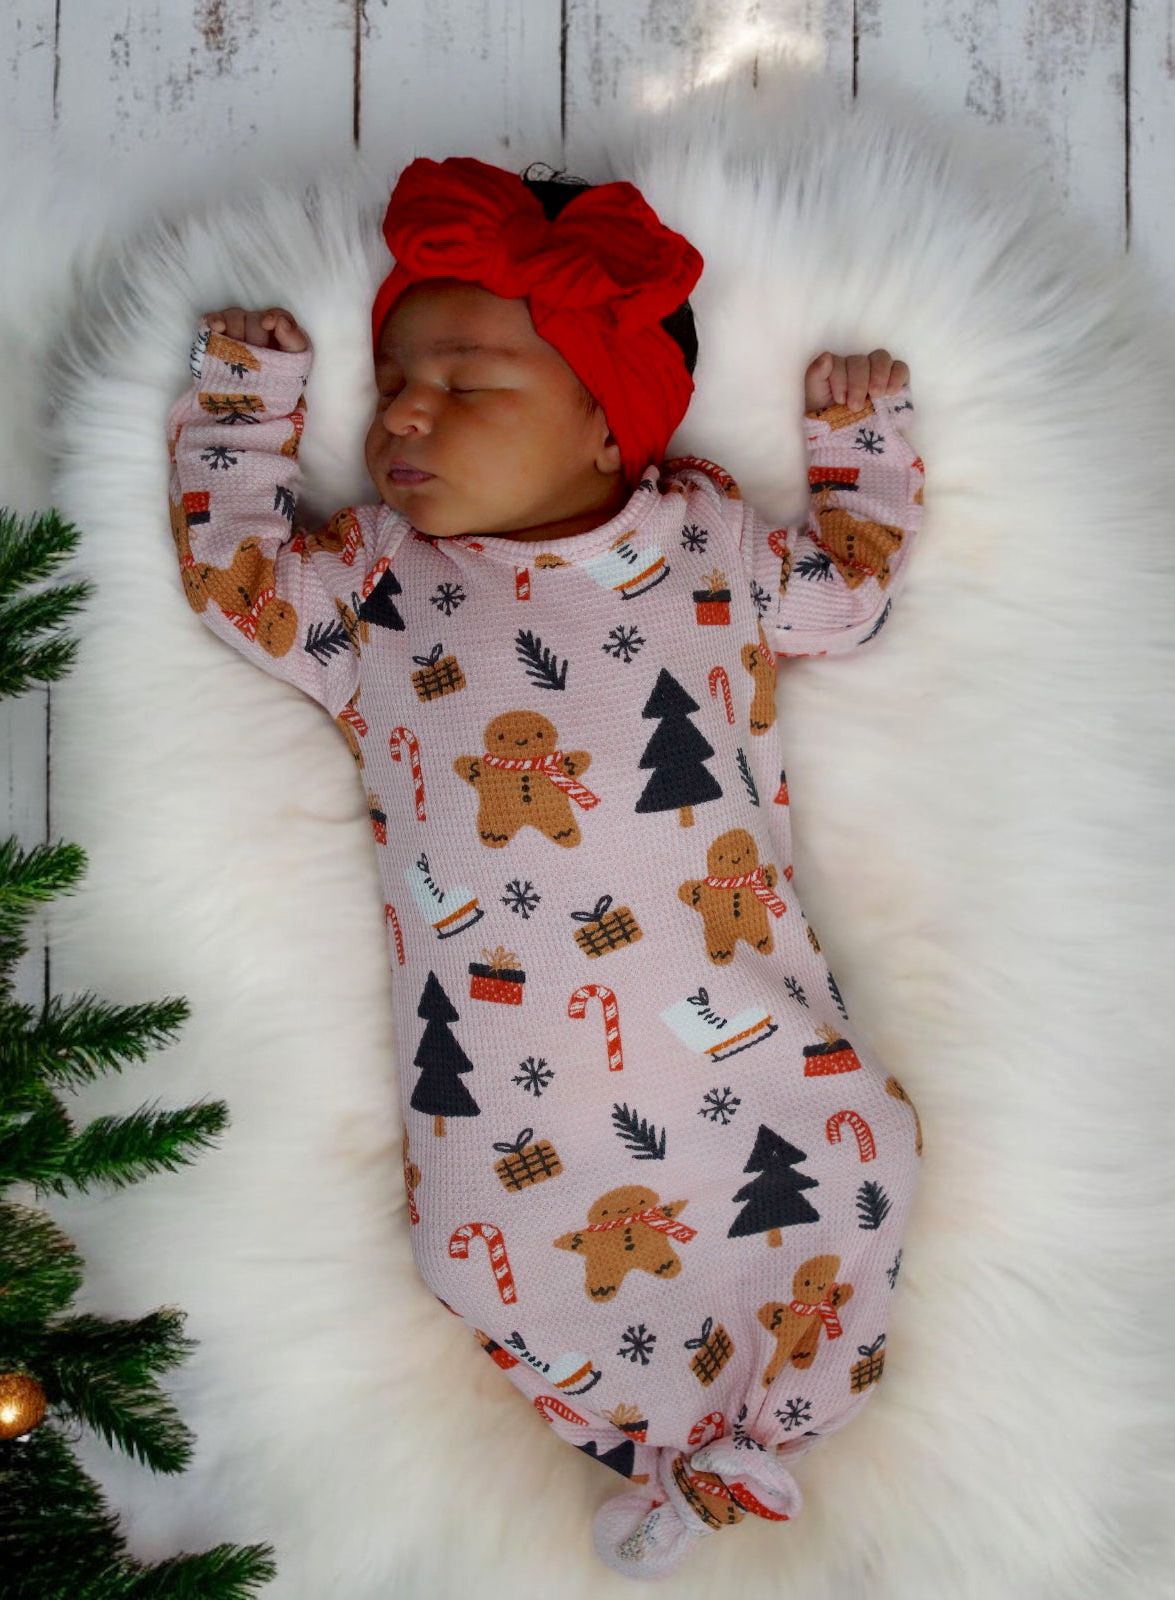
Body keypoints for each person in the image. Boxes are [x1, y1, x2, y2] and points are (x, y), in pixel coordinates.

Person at [167, 155, 926, 1580]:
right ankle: (638, 1429)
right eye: (394, 376)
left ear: (605, 426)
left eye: (467, 381)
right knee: (473, 1237)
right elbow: (239, 588)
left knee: (858, 1157)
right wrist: (238, 422)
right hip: (513, 1074)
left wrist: (860, 455)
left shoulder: (703, 537)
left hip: (744, 1035)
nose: (401, 411)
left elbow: (846, 600)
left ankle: (767, 1417)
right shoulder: (376, 582)